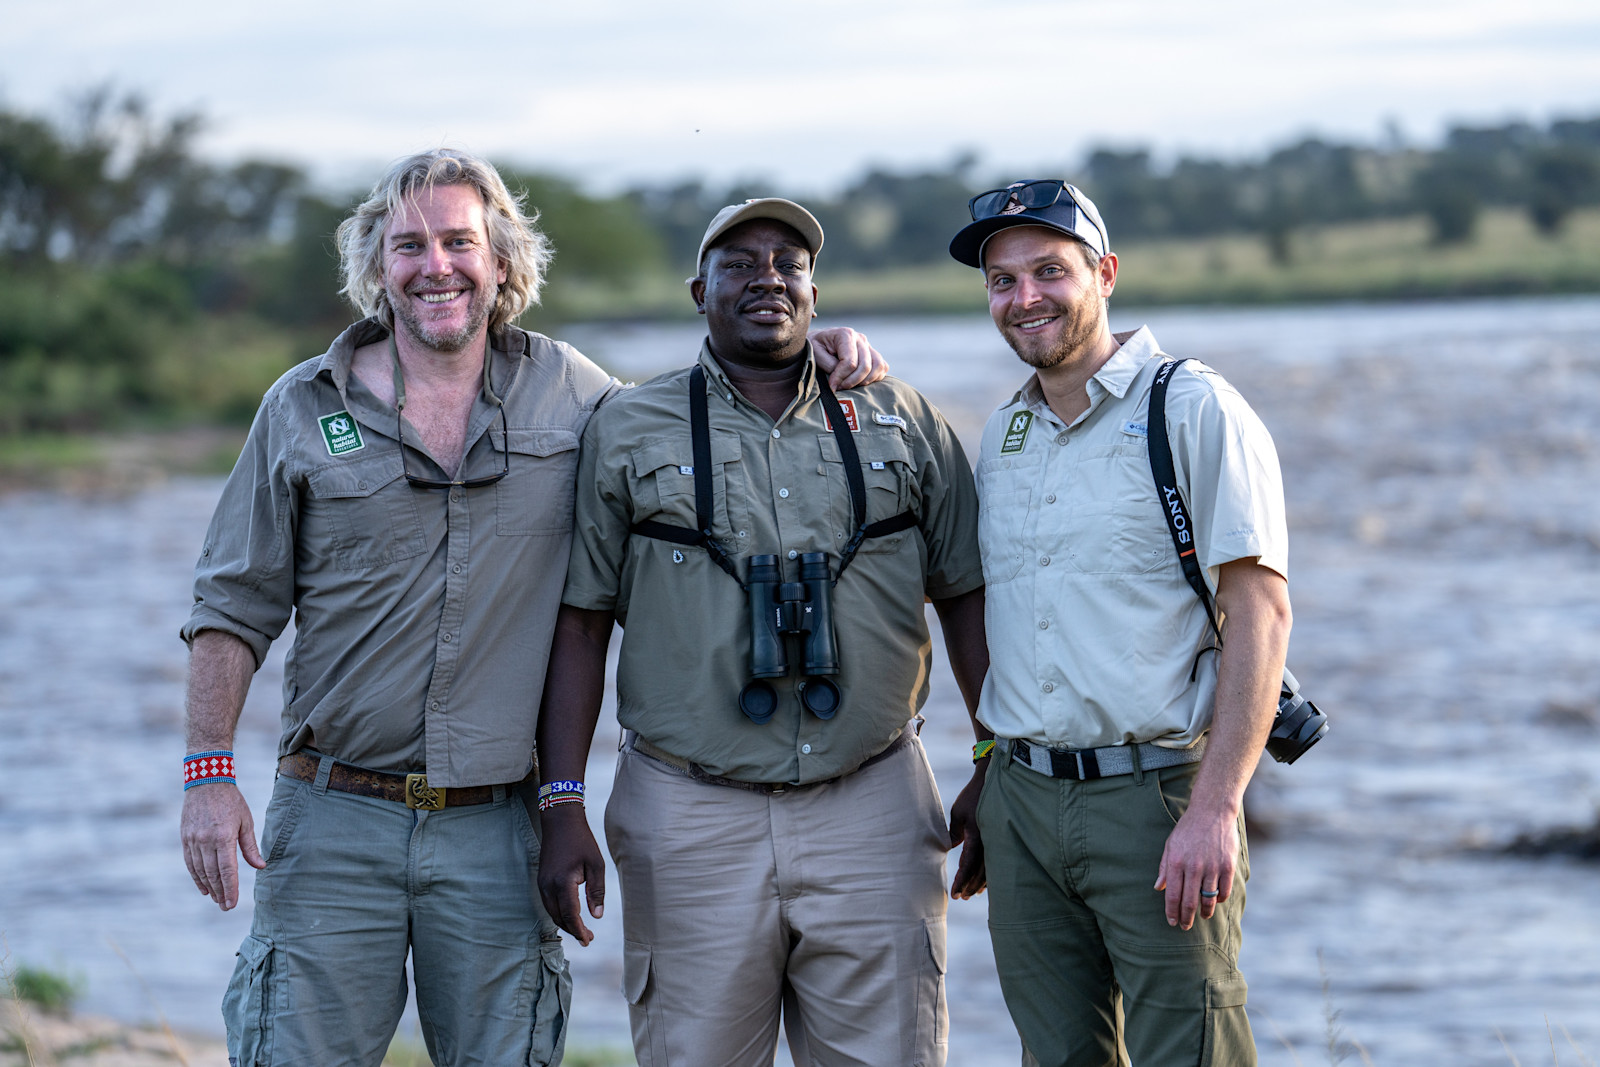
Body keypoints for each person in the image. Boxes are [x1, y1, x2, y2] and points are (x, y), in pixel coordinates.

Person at [177, 150, 885, 1067]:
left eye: (459, 241)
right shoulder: (303, 407)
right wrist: (206, 773)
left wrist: (808, 353)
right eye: (409, 245)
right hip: (330, 818)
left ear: (502, 259)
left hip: (497, 831)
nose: (436, 265)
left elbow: (700, 423)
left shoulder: (580, 395)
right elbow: (232, 601)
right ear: (377, 268)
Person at [535, 197, 991, 1067]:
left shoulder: (902, 418)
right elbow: (582, 622)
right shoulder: (628, 425)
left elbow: (967, 596)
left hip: (876, 801)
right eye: (739, 263)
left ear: (815, 293)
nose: (767, 276)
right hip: (686, 810)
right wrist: (562, 803)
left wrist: (994, 760)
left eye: (788, 260)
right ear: (698, 289)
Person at [948, 181, 1292, 1066]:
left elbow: (1261, 610)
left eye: (1049, 271)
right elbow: (1015, 624)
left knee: (1194, 1049)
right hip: (1020, 805)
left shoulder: (1194, 408)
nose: (1024, 297)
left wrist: (1216, 807)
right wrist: (991, 771)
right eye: (1002, 279)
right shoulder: (1005, 434)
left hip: (1159, 797)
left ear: (1104, 273)